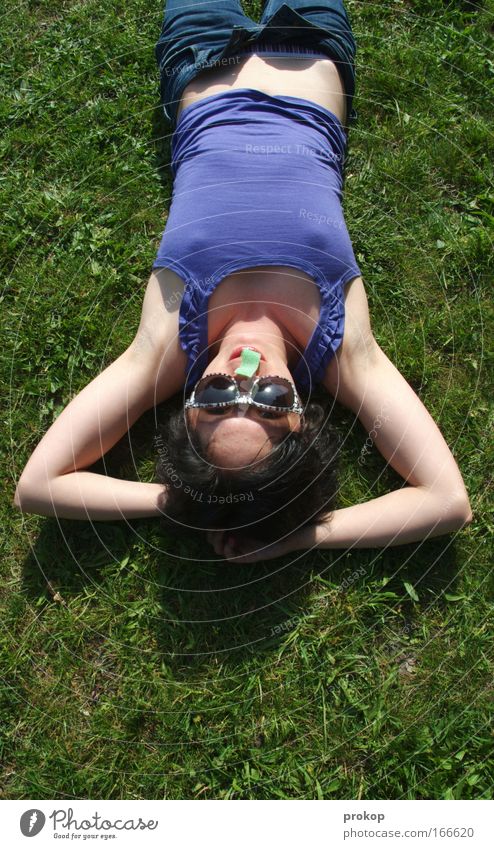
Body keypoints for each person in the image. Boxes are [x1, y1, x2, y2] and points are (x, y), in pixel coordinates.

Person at [13, 1, 472, 563]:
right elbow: (447, 501)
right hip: (309, 49)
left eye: (217, 397)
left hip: (204, 56)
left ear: (187, 411)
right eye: (272, 401)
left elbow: (37, 486)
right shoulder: (342, 350)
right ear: (299, 415)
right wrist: (303, 535)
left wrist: (180, 499)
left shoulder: (165, 350)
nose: (242, 375)